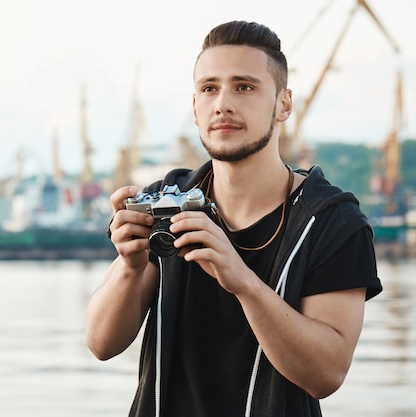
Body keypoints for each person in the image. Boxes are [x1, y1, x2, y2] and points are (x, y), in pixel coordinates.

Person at [86, 20, 382, 417]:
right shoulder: (163, 202)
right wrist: (129, 266)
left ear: (284, 104)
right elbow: (101, 344)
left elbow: (326, 374)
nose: (223, 103)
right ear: (195, 107)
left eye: (244, 86)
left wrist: (243, 281)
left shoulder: (332, 221)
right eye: (209, 88)